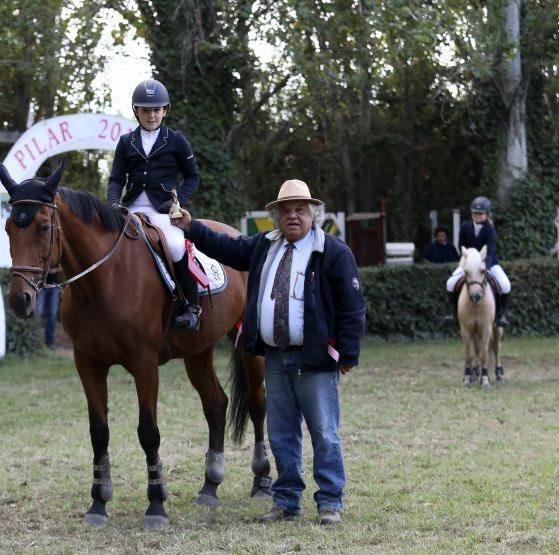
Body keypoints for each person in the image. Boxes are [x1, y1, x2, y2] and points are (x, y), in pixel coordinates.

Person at [170, 179, 366, 526]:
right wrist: (191, 226)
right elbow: (226, 247)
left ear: (313, 214)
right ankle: (286, 501)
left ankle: (330, 502)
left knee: (323, 432)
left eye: (300, 210)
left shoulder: (333, 251)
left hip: (315, 360)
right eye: (286, 210)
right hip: (275, 357)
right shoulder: (264, 245)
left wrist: (347, 354)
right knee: (280, 433)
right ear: (275, 216)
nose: (293, 216)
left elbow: (352, 308)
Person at [107, 78, 202, 331]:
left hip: (163, 210)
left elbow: (193, 175)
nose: (151, 115)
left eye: (156, 109)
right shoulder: (126, 142)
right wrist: (114, 203)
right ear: (136, 111)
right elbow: (116, 179)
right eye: (146, 110)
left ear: (165, 110)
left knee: (175, 245)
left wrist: (178, 201)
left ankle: (191, 307)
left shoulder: (176, 140)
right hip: (131, 209)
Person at [445, 196, 511, 326]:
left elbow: (490, 251)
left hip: (488, 263)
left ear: (487, 214)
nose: (477, 215)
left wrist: (485, 266)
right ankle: (454, 314)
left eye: (481, 213)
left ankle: (500, 315)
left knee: (505, 285)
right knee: (450, 283)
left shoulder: (490, 230)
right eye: (475, 213)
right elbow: (461, 245)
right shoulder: (465, 226)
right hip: (468, 263)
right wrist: (467, 260)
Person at [36, 274, 62, 349]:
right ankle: (35, 339)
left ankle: (49, 341)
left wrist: (52, 271)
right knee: (38, 312)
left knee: (52, 314)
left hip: (54, 286)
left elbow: (61, 269)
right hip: (42, 286)